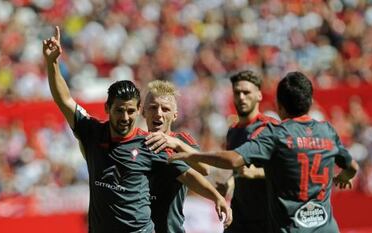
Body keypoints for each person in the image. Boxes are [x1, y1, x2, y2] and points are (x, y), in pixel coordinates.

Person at [43, 26, 232, 233]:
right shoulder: (92, 132)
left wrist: (217, 197)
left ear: (137, 111)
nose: (125, 117)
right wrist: (52, 63)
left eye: (130, 111)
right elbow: (65, 100)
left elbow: (191, 174)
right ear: (107, 108)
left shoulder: (151, 144)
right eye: (119, 111)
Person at [170, 71, 359, 233]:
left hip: (291, 227)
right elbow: (352, 167)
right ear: (310, 101)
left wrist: (190, 154)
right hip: (326, 228)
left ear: (279, 105)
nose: (241, 97)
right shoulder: (327, 131)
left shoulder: (277, 134)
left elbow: (234, 160)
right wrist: (344, 176)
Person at [142, 80, 210, 233]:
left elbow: (205, 169)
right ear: (143, 112)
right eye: (153, 107)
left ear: (174, 116)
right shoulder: (136, 142)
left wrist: (177, 145)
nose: (158, 113)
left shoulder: (183, 140)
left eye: (165, 109)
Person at [218, 70, 278, 233]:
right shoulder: (233, 131)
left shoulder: (271, 128)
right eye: (237, 93)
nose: (242, 97)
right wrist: (228, 185)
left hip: (267, 217)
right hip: (240, 216)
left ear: (259, 95)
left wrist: (257, 172)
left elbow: (286, 169)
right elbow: (238, 172)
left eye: (246, 92)